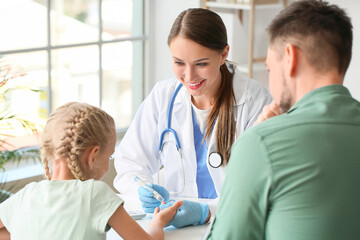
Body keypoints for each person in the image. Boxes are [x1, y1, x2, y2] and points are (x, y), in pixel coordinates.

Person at [205, 1, 360, 239]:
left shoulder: (261, 143)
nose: (270, 83)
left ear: (290, 57)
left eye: (269, 69)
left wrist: (255, 140)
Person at [113, 8, 272, 227]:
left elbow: (260, 187)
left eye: (201, 64)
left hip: (233, 225)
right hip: (176, 226)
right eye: (179, 63)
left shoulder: (254, 101)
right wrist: (142, 190)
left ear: (224, 54)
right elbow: (130, 163)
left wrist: (207, 212)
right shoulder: (164, 96)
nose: (189, 76)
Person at [0, 102, 182, 240]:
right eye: (109, 156)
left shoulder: (25, 196)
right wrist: (158, 223)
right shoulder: (95, 193)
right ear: (93, 155)